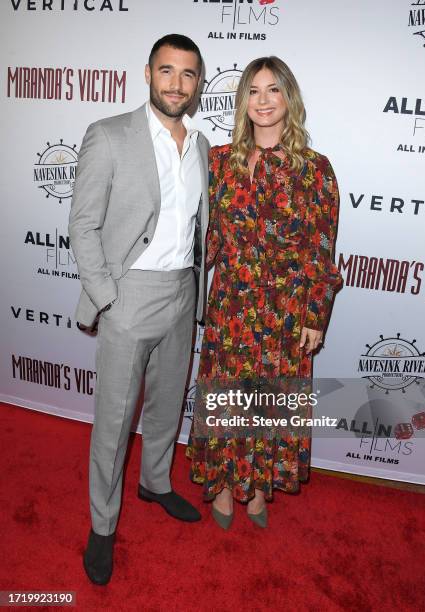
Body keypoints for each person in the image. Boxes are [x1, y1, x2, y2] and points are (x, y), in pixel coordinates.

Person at [69, 34, 209, 585]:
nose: (177, 83)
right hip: (129, 295)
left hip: (182, 292)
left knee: (167, 404)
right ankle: (103, 525)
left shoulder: (200, 145)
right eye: (167, 71)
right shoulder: (108, 136)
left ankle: (155, 482)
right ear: (148, 73)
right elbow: (83, 225)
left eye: (188, 74)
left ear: (198, 83)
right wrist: (109, 297)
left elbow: (200, 228)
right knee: (113, 422)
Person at [186, 56, 342, 529]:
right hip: (231, 304)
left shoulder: (315, 169)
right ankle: (225, 484)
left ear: (288, 98)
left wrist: (316, 313)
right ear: (243, 102)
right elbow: (202, 240)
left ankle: (258, 487)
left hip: (286, 311)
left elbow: (322, 245)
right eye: (253, 91)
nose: (263, 101)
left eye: (273, 90)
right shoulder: (219, 161)